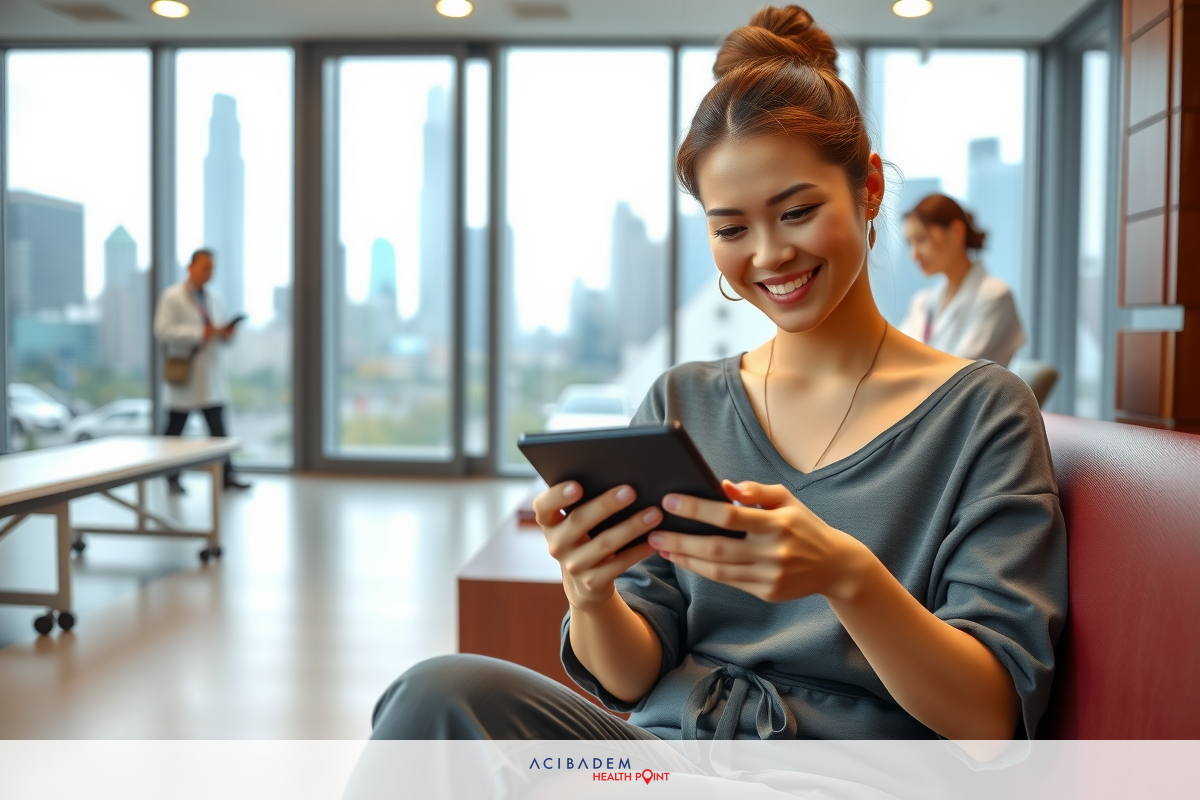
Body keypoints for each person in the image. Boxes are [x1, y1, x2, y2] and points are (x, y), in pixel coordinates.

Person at [369, 5, 1065, 742]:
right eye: (731, 228)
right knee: (435, 697)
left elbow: (990, 716)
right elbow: (632, 678)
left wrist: (845, 575)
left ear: (867, 189)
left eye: (796, 212)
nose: (766, 256)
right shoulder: (681, 402)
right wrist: (592, 588)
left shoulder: (981, 413)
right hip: (658, 765)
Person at [153, 249, 251, 493]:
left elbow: (218, 332)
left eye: (212, 268)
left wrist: (226, 333)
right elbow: (162, 331)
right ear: (191, 267)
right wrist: (199, 333)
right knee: (175, 431)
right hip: (186, 373)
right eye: (205, 267)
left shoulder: (215, 297)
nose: (210, 272)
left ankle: (226, 475)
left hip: (211, 375)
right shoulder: (172, 296)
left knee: (219, 430)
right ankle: (170, 476)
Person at [899, 194, 1027, 367]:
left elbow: (960, 373)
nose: (914, 254)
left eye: (922, 239)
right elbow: (896, 358)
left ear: (956, 232)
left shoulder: (995, 297)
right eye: (910, 243)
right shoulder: (922, 302)